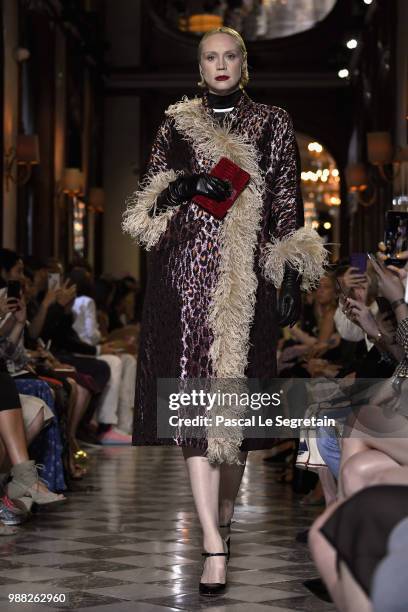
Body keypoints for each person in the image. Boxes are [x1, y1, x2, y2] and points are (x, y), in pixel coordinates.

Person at [123, 26, 327, 595]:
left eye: (229, 55)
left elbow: (287, 199)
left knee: (231, 412)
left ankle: (227, 523)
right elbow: (149, 200)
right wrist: (189, 182)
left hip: (246, 281)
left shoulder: (273, 122)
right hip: (183, 274)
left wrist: (288, 270)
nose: (220, 65)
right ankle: (212, 542)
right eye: (209, 57)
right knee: (192, 407)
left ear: (244, 63)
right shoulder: (176, 122)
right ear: (200, 66)